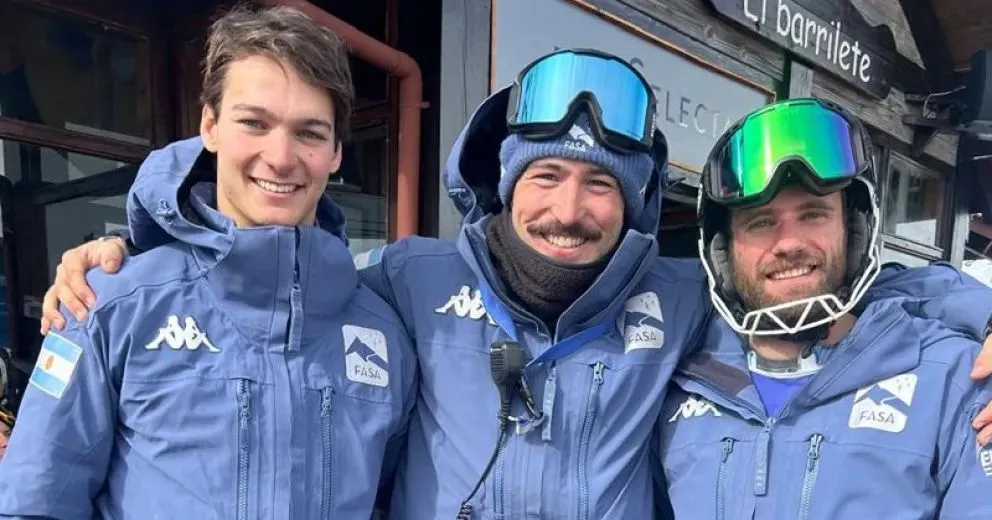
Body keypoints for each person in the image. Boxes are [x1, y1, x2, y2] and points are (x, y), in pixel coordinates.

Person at [36, 49, 992, 517]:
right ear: (501, 185)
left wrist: (979, 307)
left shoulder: (682, 293)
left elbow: (820, 290)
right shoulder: (405, 279)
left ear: (637, 204)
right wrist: (144, 236)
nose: (569, 211)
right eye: (545, 177)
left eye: (598, 187)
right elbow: (271, 269)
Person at [0, 5, 415, 518]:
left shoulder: (383, 336)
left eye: (309, 132)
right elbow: (34, 503)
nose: (281, 157)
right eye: (254, 123)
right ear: (211, 127)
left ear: (334, 152)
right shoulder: (107, 305)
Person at [658, 98, 992, 518]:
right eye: (760, 222)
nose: (789, 243)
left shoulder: (954, 380)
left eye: (813, 214)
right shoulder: (674, 380)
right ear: (724, 249)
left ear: (852, 230)